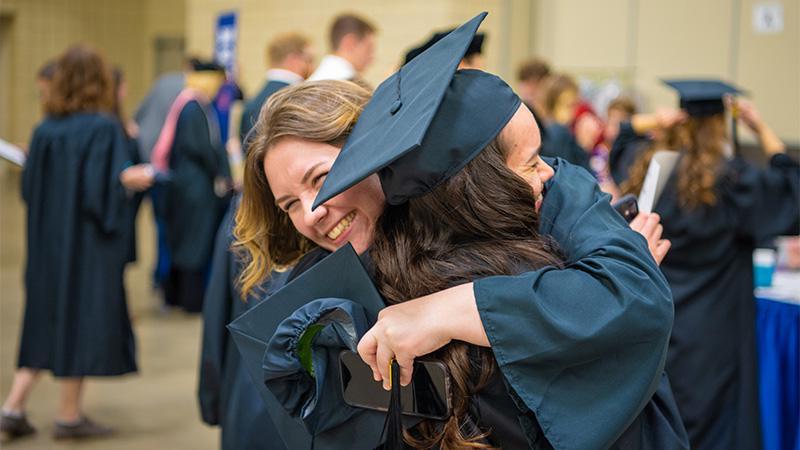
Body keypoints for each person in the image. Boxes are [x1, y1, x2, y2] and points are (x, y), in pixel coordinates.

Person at [237, 14, 685, 449]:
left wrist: (445, 312)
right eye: (289, 204)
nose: (312, 212)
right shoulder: (322, 303)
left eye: (322, 179)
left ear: (376, 152)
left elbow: (634, 296)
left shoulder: (541, 189)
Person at [622, 80, 800, 450]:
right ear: (720, 125)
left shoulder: (650, 170)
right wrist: (763, 131)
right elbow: (791, 192)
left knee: (663, 420)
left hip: (659, 319)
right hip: (715, 332)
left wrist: (654, 121)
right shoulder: (732, 180)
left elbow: (620, 142)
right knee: (715, 428)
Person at [0, 45, 135, 441]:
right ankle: (68, 415)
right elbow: (100, 197)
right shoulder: (104, 128)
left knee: (45, 320)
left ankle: (13, 407)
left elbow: (28, 191)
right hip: (89, 250)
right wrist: (126, 184)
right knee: (82, 321)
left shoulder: (44, 131)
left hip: (47, 247)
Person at [151, 59, 231, 313]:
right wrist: (221, 172)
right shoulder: (194, 106)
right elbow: (202, 148)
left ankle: (176, 296)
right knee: (194, 243)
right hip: (194, 187)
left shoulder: (188, 103)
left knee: (184, 241)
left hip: (186, 184)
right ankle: (190, 301)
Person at [239, 32, 314, 145]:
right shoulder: (300, 102)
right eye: (310, 60)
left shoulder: (252, 104)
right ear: (294, 60)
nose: (313, 67)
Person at [308, 13, 376, 85]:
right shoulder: (345, 85)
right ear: (350, 43)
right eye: (368, 50)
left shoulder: (316, 80)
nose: (372, 59)